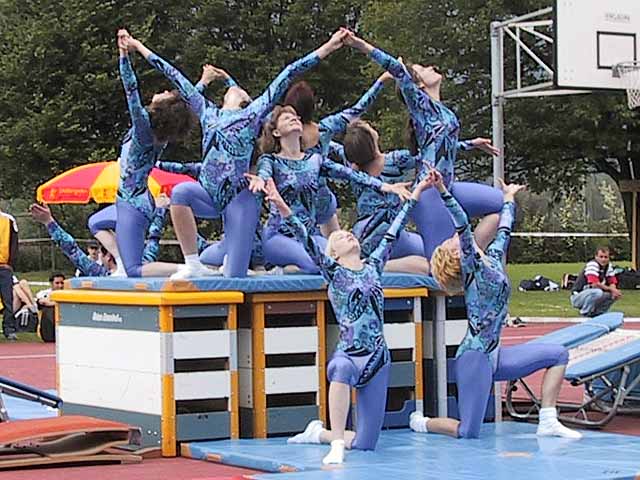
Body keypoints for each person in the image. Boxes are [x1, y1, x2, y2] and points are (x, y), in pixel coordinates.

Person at [128, 30, 349, 278]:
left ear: (243, 99)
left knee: (235, 276)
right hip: (208, 195)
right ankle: (193, 263)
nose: (233, 89)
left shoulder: (252, 114)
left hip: (239, 198)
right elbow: (173, 74)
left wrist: (329, 47)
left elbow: (291, 72)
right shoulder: (207, 112)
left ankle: (236, 262)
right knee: (180, 192)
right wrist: (138, 46)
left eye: (237, 90)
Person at [268, 173, 433, 465]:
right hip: (349, 355)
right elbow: (303, 235)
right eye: (340, 237)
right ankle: (336, 443)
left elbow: (395, 229)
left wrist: (418, 189)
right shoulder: (333, 271)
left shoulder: (374, 265)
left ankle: (320, 433)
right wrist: (280, 203)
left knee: (366, 445)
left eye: (350, 233)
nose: (348, 234)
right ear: (333, 253)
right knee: (340, 369)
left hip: (377, 358)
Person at [409, 170, 581, 440]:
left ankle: (548, 420)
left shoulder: (491, 257)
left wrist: (509, 197)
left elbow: (505, 228)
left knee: (558, 354)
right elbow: (461, 221)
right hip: (474, 358)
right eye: (452, 242)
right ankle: (423, 423)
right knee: (468, 431)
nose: (453, 237)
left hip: (495, 354)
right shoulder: (472, 267)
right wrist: (442, 190)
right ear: (457, 255)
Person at [342, 29, 504, 259]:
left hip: (447, 186)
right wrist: (359, 44)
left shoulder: (441, 111)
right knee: (438, 263)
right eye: (423, 68)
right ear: (418, 85)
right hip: (429, 193)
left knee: (503, 205)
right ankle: (457, 264)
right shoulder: (421, 106)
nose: (430, 67)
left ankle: (468, 257)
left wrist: (471, 144)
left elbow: (437, 149)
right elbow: (397, 69)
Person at [247, 105, 411, 274]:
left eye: (296, 117)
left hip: (310, 236)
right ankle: (278, 271)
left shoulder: (315, 160)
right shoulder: (270, 160)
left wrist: (387, 187)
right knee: (317, 264)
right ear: (276, 132)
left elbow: (351, 174)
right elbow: (264, 173)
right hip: (279, 236)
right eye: (286, 118)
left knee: (338, 260)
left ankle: (291, 269)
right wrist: (260, 179)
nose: (294, 118)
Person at [111, 29, 196, 277]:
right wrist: (201, 83)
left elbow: (131, 89)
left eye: (167, 94)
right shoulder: (161, 134)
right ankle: (120, 261)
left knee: (134, 269)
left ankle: (190, 267)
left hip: (131, 201)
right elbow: (187, 106)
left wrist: (124, 56)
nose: (163, 91)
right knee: (96, 222)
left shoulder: (144, 129)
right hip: (137, 199)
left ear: (165, 108)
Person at [283, 73, 392, 237]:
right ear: (312, 106)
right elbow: (358, 108)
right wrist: (381, 81)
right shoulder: (325, 128)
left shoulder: (287, 132)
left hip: (298, 201)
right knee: (336, 243)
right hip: (323, 198)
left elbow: (261, 114)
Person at [570, 247, 622, 317]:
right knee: (597, 292)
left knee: (612, 294)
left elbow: (612, 281)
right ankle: (585, 312)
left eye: (606, 257)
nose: (603, 259)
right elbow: (595, 284)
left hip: (591, 294)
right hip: (578, 296)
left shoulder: (608, 266)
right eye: (601, 257)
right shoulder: (592, 265)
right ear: (596, 257)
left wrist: (614, 291)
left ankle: (599, 313)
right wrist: (611, 289)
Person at [0, 207, 18, 341]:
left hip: (4, 266)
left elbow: (14, 243)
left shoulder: (8, 219)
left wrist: (10, 264)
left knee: (8, 299)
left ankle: (9, 329)